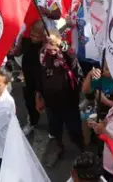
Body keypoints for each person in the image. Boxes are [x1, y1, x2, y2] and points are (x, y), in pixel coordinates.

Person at [35, 33, 84, 167]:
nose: (49, 47)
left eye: (52, 43)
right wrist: (38, 96)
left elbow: (71, 54)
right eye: (47, 43)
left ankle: (83, 153)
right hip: (51, 104)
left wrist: (60, 44)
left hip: (69, 104)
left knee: (75, 131)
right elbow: (40, 78)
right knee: (55, 130)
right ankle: (59, 148)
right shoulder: (43, 57)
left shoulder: (67, 56)